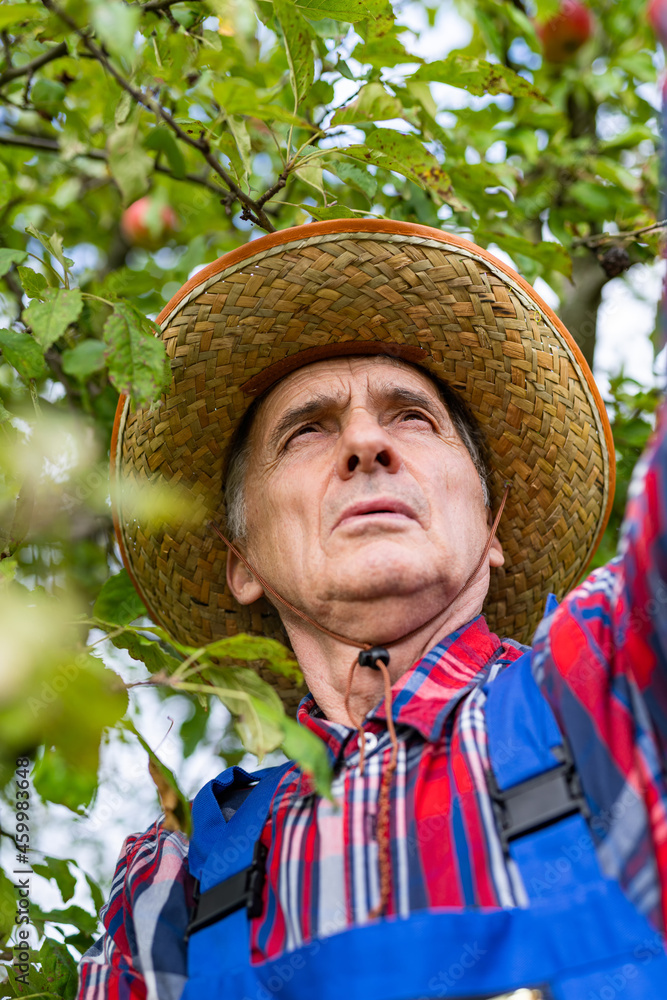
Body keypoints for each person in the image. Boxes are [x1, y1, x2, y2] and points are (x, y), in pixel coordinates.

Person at [80, 220, 667, 1000]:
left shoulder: (607, 689)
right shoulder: (173, 881)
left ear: (491, 528)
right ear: (242, 561)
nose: (364, 443)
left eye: (411, 417)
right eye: (305, 431)